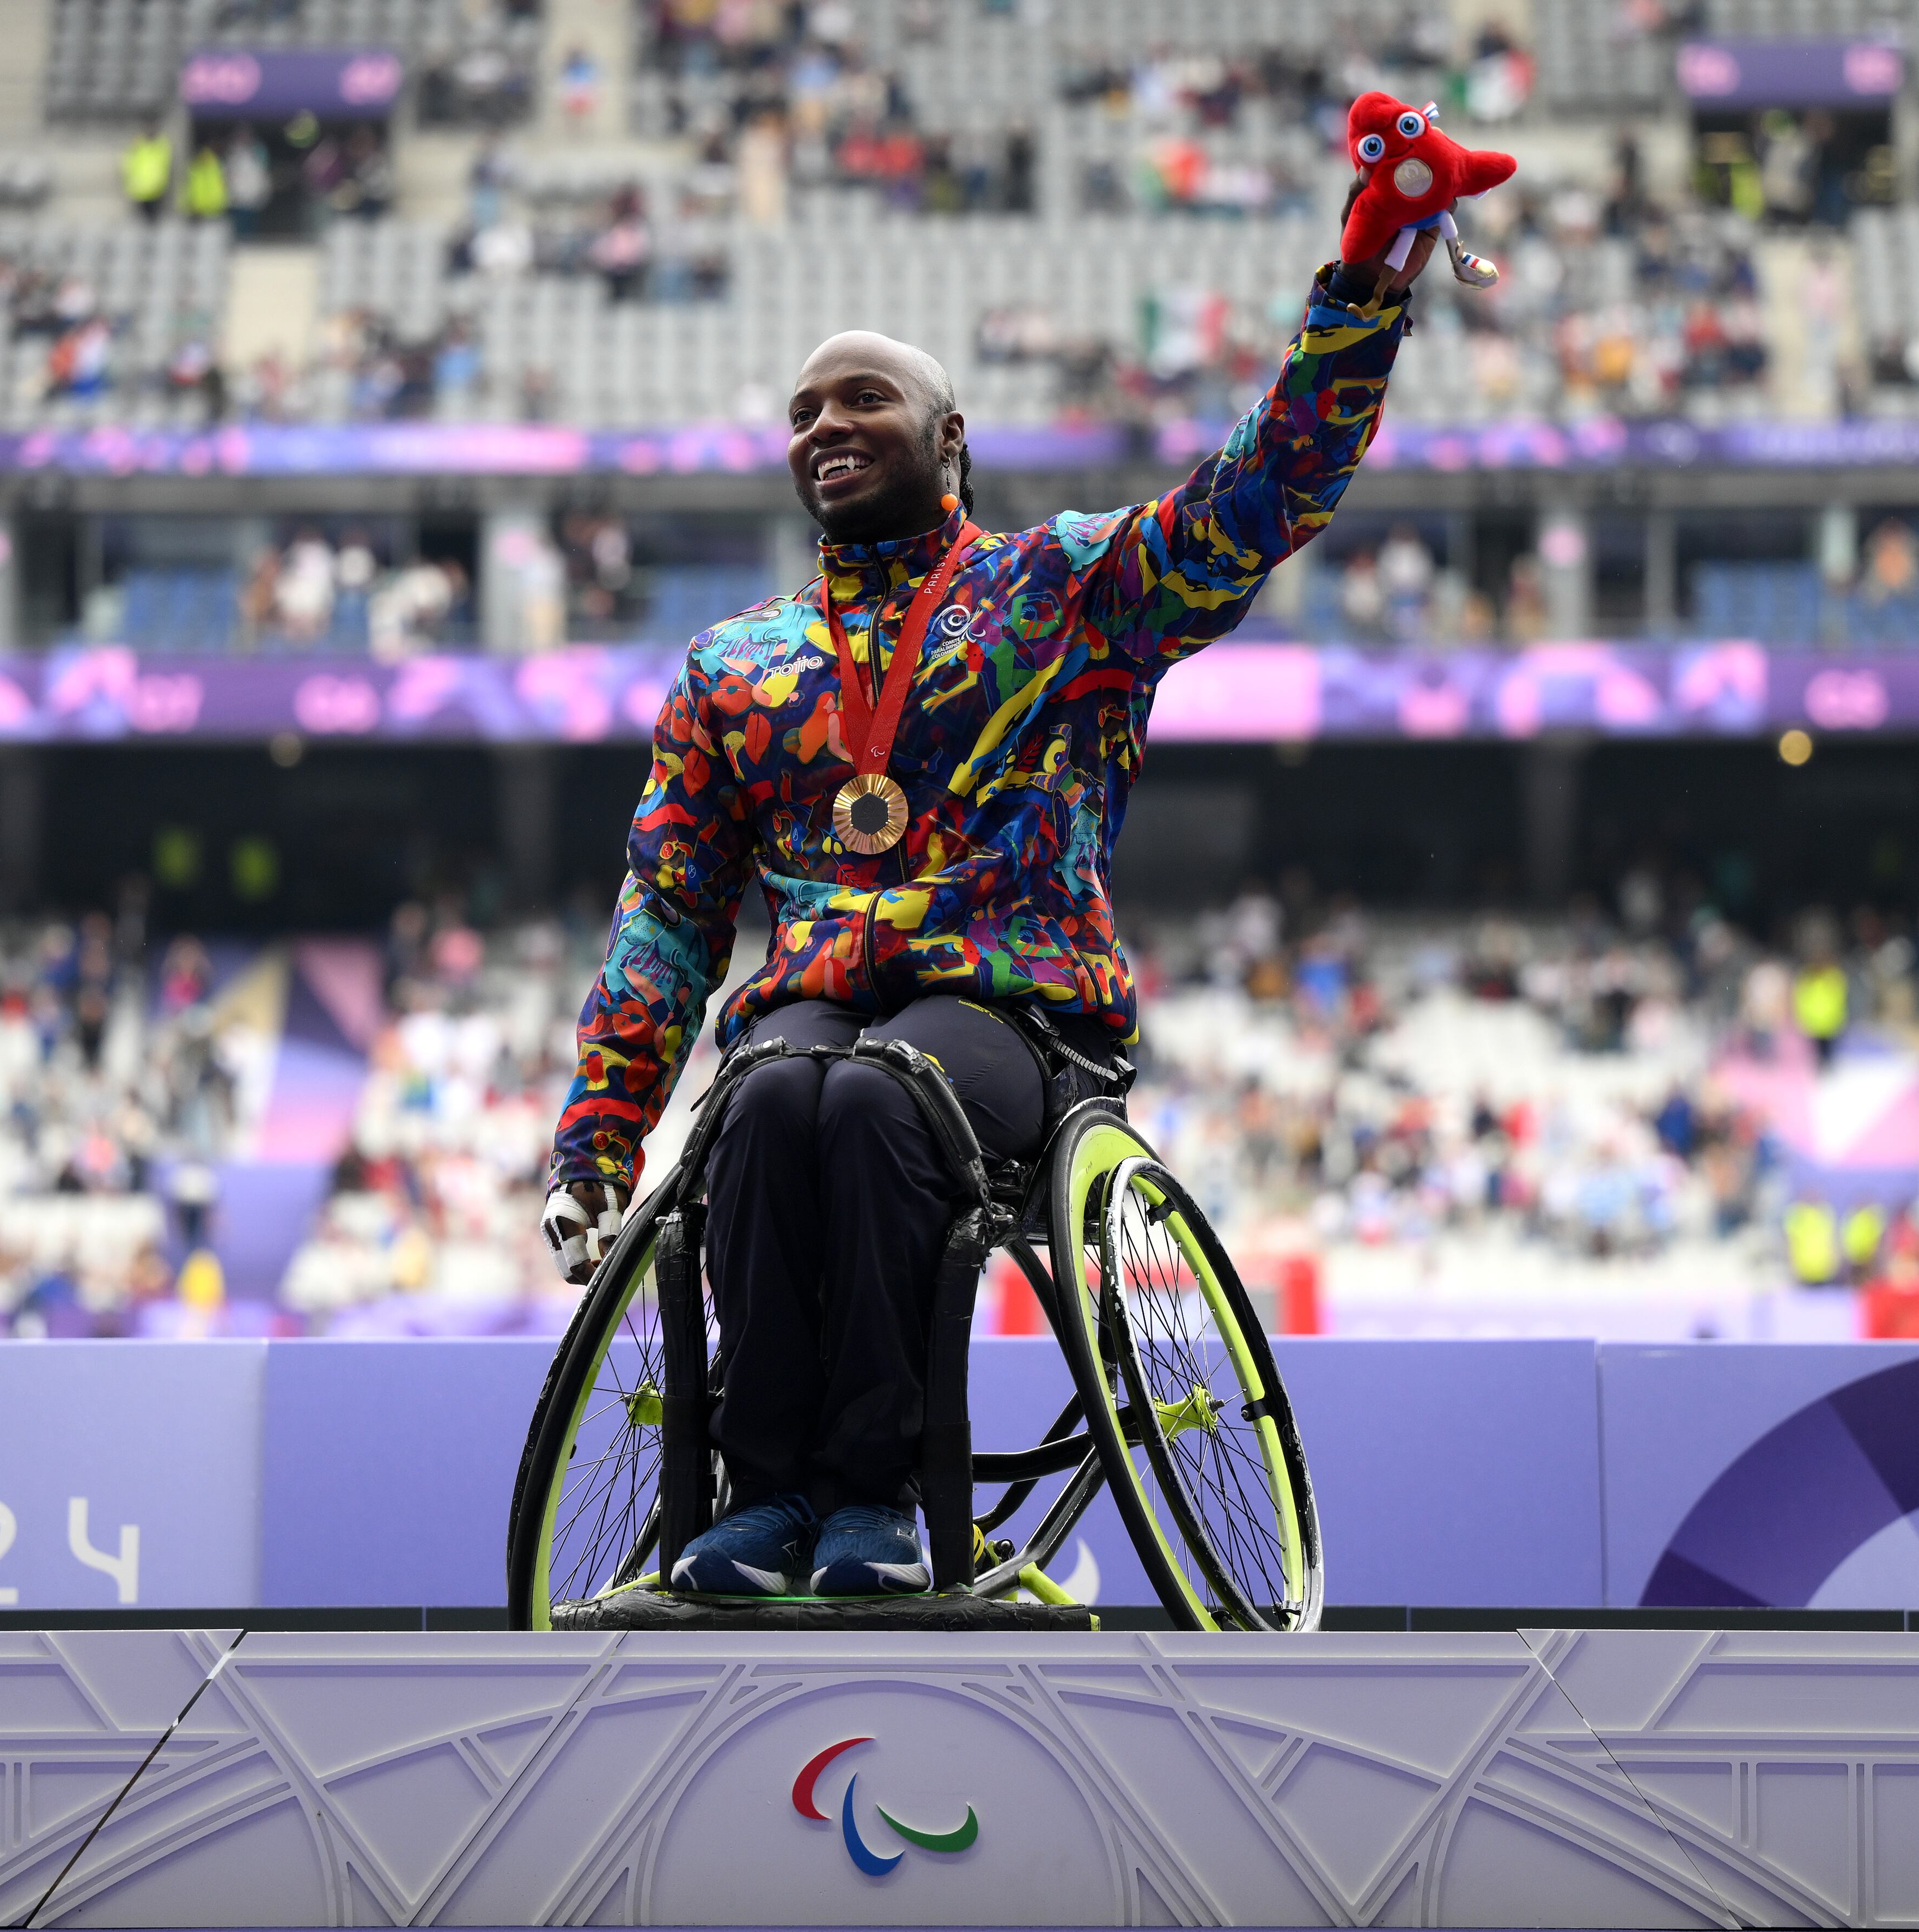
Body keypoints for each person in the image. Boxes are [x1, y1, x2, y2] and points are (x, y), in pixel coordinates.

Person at [539, 224, 1423, 1599]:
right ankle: (763, 1499)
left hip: (1016, 1008)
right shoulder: (735, 668)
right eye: (802, 413)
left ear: (949, 436)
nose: (825, 426)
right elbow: (666, 909)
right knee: (765, 1102)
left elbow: (1252, 504)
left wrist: (1359, 298)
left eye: (862, 400)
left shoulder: (1059, 592)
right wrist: (599, 1135)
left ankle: (878, 1499)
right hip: (818, 1004)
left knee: (883, 1095)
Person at [123, 128, 174, 223]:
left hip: (156, 189)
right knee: (142, 222)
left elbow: (165, 164)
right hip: (141, 189)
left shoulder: (162, 146)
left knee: (154, 220)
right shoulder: (138, 146)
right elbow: (128, 164)